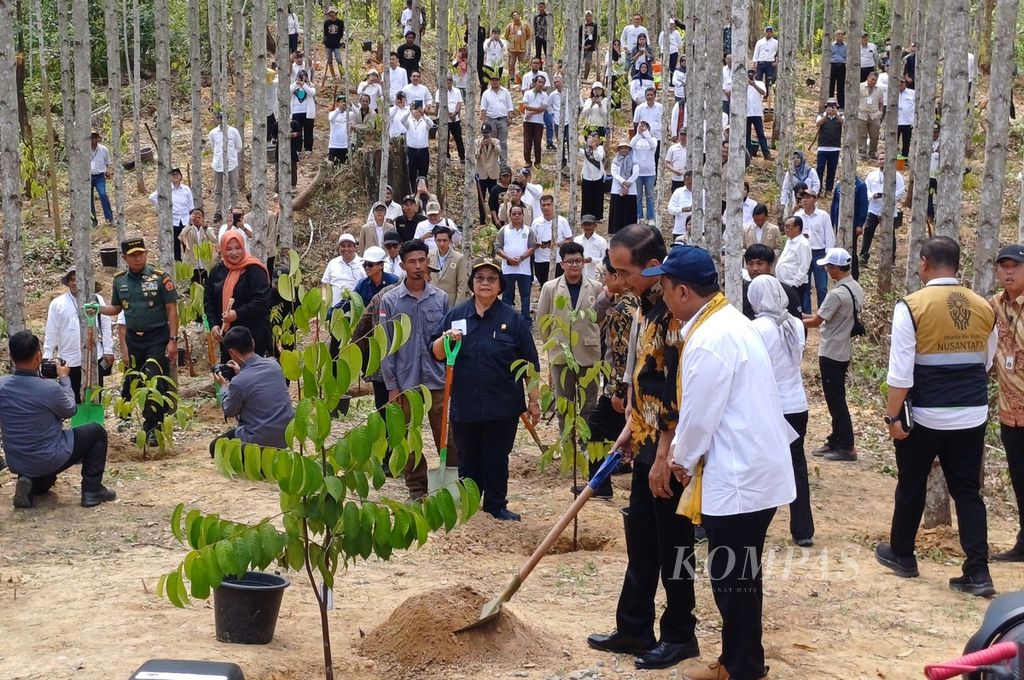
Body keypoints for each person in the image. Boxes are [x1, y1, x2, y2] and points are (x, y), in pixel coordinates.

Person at [648, 246, 794, 680]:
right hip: (753, 468)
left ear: (684, 292)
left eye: (666, 289)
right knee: (741, 578)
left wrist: (681, 460)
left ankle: (742, 668)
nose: (664, 298)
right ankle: (740, 661)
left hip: (738, 476)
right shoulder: (729, 322)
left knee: (733, 582)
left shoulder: (710, 337)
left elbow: (698, 413)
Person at [588, 225, 698, 672]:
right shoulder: (643, 308)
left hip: (669, 449)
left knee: (673, 545)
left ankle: (679, 635)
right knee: (641, 540)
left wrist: (666, 447)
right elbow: (642, 377)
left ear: (653, 267)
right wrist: (631, 424)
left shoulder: (676, 313)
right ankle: (634, 626)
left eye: (623, 270)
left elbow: (677, 389)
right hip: (646, 438)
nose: (617, 280)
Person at [876, 236, 996, 598]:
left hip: (926, 414)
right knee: (968, 493)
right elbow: (986, 362)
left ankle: (902, 554)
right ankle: (978, 572)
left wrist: (893, 417)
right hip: (972, 413)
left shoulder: (912, 306)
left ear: (925, 262)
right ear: (957, 265)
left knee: (911, 484)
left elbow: (900, 374)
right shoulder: (983, 306)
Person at [431, 257, 540, 520]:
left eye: (491, 279)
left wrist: (534, 401)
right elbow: (434, 353)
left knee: (497, 457)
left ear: (500, 286)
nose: (485, 283)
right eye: (480, 278)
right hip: (465, 404)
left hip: (502, 406)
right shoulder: (456, 316)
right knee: (468, 458)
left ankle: (495, 505)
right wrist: (444, 340)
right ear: (472, 284)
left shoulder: (513, 319)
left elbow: (530, 365)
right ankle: (470, 506)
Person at [0, 331, 116, 509]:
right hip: (49, 456)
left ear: (11, 356)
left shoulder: (2, 385)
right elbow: (71, 410)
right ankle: (92, 490)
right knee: (96, 432)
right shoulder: (49, 389)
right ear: (39, 357)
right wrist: (64, 378)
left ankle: (29, 484)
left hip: (17, 460)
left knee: (46, 477)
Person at [381, 240, 456, 501]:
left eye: (422, 260)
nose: (417, 266)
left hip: (436, 380)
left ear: (428, 262)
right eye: (411, 262)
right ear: (402, 265)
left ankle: (451, 483)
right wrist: (392, 384)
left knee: (446, 434)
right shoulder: (390, 301)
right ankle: (417, 487)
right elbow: (386, 344)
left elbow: (448, 342)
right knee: (408, 437)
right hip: (405, 381)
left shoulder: (441, 299)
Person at [748, 274, 813, 545]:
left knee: (760, 465)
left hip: (771, 405)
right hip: (797, 404)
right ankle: (803, 530)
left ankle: (753, 524)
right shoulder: (796, 324)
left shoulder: (756, 328)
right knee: (797, 464)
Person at [96, 238, 179, 447]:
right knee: (138, 381)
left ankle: (154, 427)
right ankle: (146, 424)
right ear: (124, 258)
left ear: (146, 254)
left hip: (158, 336)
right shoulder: (119, 281)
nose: (137, 258)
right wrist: (96, 309)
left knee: (153, 378)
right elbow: (116, 309)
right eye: (132, 255)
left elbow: (171, 310)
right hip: (134, 338)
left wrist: (173, 340)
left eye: (141, 253)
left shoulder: (160, 278)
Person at [577, 252, 638, 498]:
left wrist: (617, 391)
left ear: (617, 276)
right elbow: (594, 314)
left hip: (623, 386)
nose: (602, 281)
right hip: (625, 383)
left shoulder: (625, 308)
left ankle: (600, 484)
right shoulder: (625, 301)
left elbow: (623, 353)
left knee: (597, 427)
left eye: (606, 276)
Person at [802, 248, 864, 461]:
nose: (827, 270)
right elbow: (821, 316)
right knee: (837, 398)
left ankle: (846, 445)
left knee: (835, 401)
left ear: (836, 268)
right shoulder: (855, 287)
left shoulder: (836, 294)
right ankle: (836, 438)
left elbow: (816, 321)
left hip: (831, 350)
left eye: (829, 267)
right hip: (843, 349)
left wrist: (791, 321)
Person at [537, 241, 602, 430]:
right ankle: (567, 442)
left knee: (589, 403)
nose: (575, 265)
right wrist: (552, 344)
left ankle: (584, 445)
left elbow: (600, 319)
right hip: (561, 354)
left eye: (578, 261)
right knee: (564, 403)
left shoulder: (595, 287)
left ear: (583, 262)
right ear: (562, 264)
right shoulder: (550, 288)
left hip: (589, 354)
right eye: (570, 261)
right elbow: (542, 320)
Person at [209, 326, 295, 457]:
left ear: (232, 352)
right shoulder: (274, 365)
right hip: (284, 439)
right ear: (253, 343)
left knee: (215, 447)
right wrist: (241, 372)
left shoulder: (239, 381)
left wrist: (224, 386)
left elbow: (229, 411)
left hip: (257, 442)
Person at [990, 245, 1024, 561]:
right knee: (1020, 480)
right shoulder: (994, 306)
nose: (1009, 272)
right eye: (1005, 266)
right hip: (1009, 414)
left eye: (1016, 266)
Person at [43, 268, 115, 403]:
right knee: (73, 398)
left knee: (95, 397)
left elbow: (105, 326)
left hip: (94, 356)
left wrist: (108, 350)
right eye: (72, 280)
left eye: (79, 279)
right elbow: (51, 331)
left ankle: (95, 423)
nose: (76, 283)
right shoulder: (57, 304)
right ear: (68, 283)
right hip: (69, 361)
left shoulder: (96, 299)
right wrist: (47, 356)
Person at [205, 231, 273, 361]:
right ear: (223, 249)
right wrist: (213, 324)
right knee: (231, 372)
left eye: (237, 248)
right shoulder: (217, 270)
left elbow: (262, 300)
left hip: (253, 334)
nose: (234, 252)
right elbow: (209, 300)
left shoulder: (254, 269)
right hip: (227, 335)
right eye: (229, 249)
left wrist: (237, 313)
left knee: (253, 373)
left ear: (243, 247)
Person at [860, 152, 906, 265]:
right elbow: (866, 189)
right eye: (880, 159)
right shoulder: (872, 175)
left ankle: (891, 259)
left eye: (884, 159)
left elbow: (901, 191)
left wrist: (888, 196)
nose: (882, 161)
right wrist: (873, 195)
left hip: (889, 209)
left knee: (889, 233)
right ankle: (864, 256)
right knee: (868, 231)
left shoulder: (897, 176)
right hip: (873, 208)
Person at [795, 190, 835, 311]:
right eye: (803, 198)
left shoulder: (823, 216)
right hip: (804, 253)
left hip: (820, 253)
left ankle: (822, 313)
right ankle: (806, 313)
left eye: (808, 197)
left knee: (821, 286)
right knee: (804, 285)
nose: (805, 200)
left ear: (815, 199)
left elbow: (829, 236)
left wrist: (828, 256)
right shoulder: (798, 216)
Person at [495, 204, 536, 321]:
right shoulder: (504, 230)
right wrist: (508, 258)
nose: (517, 215)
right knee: (507, 296)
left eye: (519, 213)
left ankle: (525, 320)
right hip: (508, 270)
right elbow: (497, 247)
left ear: (523, 215)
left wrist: (521, 258)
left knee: (525, 297)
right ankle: (506, 320)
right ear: (510, 215)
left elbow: (532, 247)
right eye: (514, 213)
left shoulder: (529, 231)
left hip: (525, 270)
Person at [741, 244, 802, 320]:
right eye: (750, 264)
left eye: (760, 264)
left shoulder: (786, 292)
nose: (754, 268)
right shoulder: (742, 292)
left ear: (770, 265)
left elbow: (796, 324)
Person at [149, 167, 195, 262]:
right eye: (173, 174)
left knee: (188, 244)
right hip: (173, 221)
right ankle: (177, 264)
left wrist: (191, 219)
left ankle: (189, 264)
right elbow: (152, 197)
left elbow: (191, 206)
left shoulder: (186, 189)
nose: (175, 176)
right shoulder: (166, 189)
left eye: (177, 174)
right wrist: (163, 207)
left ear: (181, 176)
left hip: (186, 221)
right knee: (175, 246)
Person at [532, 194, 573, 287]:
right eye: (543, 205)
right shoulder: (536, 222)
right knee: (544, 285)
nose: (546, 207)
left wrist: (558, 244)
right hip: (541, 259)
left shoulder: (562, 221)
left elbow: (569, 239)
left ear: (553, 205)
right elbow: (532, 241)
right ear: (540, 206)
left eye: (548, 204)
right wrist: (539, 245)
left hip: (558, 259)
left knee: (559, 286)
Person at [208, 117, 243, 217]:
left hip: (231, 165)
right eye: (219, 118)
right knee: (218, 189)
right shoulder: (213, 133)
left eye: (223, 118)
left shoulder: (234, 131)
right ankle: (218, 210)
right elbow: (213, 146)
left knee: (234, 188)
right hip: (218, 165)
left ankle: (234, 209)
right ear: (217, 119)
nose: (221, 120)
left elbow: (238, 146)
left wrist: (231, 156)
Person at [321, 233, 364, 314]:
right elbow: (324, 284)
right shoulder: (333, 263)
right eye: (343, 246)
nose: (346, 249)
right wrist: (324, 299)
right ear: (339, 248)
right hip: (334, 312)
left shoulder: (364, 263)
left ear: (355, 247)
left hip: (355, 312)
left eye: (349, 246)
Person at [775, 215, 813, 305]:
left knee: (795, 309)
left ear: (797, 228)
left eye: (788, 226)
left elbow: (804, 266)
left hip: (794, 285)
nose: (785, 229)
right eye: (785, 226)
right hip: (784, 283)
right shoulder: (789, 240)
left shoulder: (803, 244)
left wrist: (795, 283)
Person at [428, 226, 468, 305]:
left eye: (444, 240)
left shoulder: (459, 258)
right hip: (432, 300)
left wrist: (457, 307)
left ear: (450, 241)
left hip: (450, 302)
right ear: (435, 240)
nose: (441, 243)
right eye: (438, 240)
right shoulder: (429, 255)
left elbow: (462, 284)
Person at [481, 74, 514, 165]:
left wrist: (510, 117)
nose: (495, 82)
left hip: (503, 120)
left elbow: (510, 106)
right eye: (493, 80)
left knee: (503, 142)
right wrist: (484, 122)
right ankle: (493, 162)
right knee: (492, 142)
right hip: (491, 120)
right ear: (490, 82)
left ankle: (503, 163)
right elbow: (483, 108)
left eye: (496, 80)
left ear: (499, 81)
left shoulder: (505, 92)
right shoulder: (486, 93)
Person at [401, 104, 433, 194]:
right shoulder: (409, 122)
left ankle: (424, 193)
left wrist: (424, 114)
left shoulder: (425, 122)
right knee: (412, 173)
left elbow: (431, 124)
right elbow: (402, 120)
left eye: (419, 111)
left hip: (423, 151)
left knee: (423, 174)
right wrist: (408, 111)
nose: (417, 112)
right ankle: (413, 193)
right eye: (415, 110)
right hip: (412, 151)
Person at [609, 139, 639, 235]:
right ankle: (616, 232)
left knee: (629, 211)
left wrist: (628, 182)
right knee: (617, 211)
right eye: (621, 148)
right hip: (617, 189)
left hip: (631, 189)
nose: (624, 150)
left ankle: (630, 233)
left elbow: (636, 172)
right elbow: (614, 173)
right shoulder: (616, 160)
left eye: (626, 148)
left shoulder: (634, 160)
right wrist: (623, 182)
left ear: (629, 149)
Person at [630, 121, 658, 224]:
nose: (642, 128)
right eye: (641, 126)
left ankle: (650, 217)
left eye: (644, 126)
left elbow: (653, 145)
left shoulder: (653, 140)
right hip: (638, 173)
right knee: (638, 195)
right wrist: (638, 133)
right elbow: (631, 145)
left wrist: (645, 133)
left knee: (650, 195)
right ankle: (639, 216)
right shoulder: (636, 140)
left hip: (650, 173)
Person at [815, 99, 843, 194]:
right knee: (820, 168)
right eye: (829, 106)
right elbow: (817, 124)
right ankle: (818, 189)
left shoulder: (840, 117)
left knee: (832, 169)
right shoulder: (821, 116)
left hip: (835, 148)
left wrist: (836, 114)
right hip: (822, 147)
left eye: (833, 106)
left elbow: (845, 124)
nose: (831, 108)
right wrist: (826, 116)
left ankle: (829, 189)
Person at [436, 74, 465, 162]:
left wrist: (455, 113)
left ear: (452, 81)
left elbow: (459, 103)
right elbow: (439, 104)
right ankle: (447, 157)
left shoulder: (457, 91)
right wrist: (449, 114)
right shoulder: (439, 91)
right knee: (445, 139)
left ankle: (462, 157)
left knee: (458, 138)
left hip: (456, 119)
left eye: (450, 80)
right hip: (444, 119)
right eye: (446, 80)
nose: (448, 82)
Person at [522, 73, 548, 167]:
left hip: (538, 122)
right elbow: (524, 106)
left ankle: (537, 161)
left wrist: (531, 112)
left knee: (538, 143)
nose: (541, 84)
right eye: (539, 82)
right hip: (527, 121)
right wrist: (537, 109)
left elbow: (543, 109)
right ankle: (528, 161)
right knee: (527, 142)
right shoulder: (528, 93)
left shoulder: (544, 95)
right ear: (535, 82)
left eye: (543, 83)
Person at [476, 124, 501, 222]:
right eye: (484, 133)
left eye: (487, 132)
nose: (485, 135)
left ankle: (495, 219)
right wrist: (481, 147)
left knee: (493, 196)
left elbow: (499, 153)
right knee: (481, 197)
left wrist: (493, 145)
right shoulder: (477, 142)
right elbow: (475, 155)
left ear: (491, 132)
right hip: (481, 173)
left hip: (492, 173)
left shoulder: (496, 141)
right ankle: (482, 220)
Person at [744, 69, 771, 160]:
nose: (751, 75)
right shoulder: (743, 84)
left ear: (755, 75)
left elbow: (764, 93)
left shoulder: (760, 83)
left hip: (756, 113)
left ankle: (766, 153)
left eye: (752, 74)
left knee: (760, 134)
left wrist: (754, 85)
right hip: (746, 113)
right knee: (746, 135)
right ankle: (748, 155)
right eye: (749, 74)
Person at [89, 131, 114, 226]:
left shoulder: (104, 150)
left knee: (103, 195)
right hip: (88, 177)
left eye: (95, 138)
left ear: (97, 139)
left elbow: (108, 163)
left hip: (99, 175)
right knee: (89, 199)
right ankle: (93, 220)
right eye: (91, 138)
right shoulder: (84, 150)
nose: (93, 140)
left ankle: (110, 218)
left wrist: (108, 171)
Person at [289, 71, 317, 157]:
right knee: (297, 131)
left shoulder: (310, 85)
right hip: (296, 111)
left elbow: (312, 93)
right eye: (301, 77)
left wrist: (303, 84)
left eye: (304, 77)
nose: (302, 79)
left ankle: (308, 148)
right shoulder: (294, 85)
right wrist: (296, 83)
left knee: (308, 131)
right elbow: (288, 91)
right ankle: (297, 149)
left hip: (307, 112)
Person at [580, 131, 606, 220]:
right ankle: (586, 217)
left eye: (596, 138)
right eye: (592, 137)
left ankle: (597, 217)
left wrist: (594, 147)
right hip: (587, 176)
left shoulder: (600, 148)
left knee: (598, 197)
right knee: (586, 197)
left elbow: (598, 158)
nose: (594, 139)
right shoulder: (585, 150)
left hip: (598, 176)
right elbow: (577, 152)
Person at [857, 71, 884, 160]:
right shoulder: (860, 87)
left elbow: (881, 102)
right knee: (861, 135)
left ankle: (872, 153)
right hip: (862, 114)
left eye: (875, 80)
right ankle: (862, 153)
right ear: (868, 78)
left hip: (874, 114)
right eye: (872, 79)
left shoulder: (879, 90)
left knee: (875, 135)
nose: (873, 81)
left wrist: (880, 112)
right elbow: (854, 99)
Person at [575, 215, 609, 281]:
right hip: (580, 276)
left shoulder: (601, 241)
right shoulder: (577, 240)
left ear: (595, 226)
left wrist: (592, 260)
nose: (587, 227)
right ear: (582, 226)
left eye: (590, 224)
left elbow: (605, 260)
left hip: (595, 277)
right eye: (585, 224)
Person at [503, 12, 532, 79]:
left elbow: (528, 35)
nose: (515, 16)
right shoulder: (509, 26)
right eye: (514, 15)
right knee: (511, 64)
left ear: (519, 16)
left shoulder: (525, 25)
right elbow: (506, 36)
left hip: (522, 49)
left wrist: (522, 40)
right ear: (512, 17)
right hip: (512, 49)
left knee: (522, 64)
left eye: (517, 15)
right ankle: (511, 78)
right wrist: (512, 40)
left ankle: (523, 77)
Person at [327, 95, 355, 165]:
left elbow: (357, 114)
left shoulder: (349, 114)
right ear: (337, 103)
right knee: (332, 165)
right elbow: (331, 119)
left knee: (344, 166)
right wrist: (338, 110)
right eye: (341, 102)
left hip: (345, 145)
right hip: (333, 145)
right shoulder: (332, 113)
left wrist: (351, 105)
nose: (343, 104)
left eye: (345, 102)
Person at [752, 26, 779, 97]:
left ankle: (766, 95)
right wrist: (754, 63)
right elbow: (756, 52)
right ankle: (758, 95)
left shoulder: (776, 43)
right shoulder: (760, 42)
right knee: (758, 79)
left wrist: (776, 62)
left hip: (770, 64)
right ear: (765, 32)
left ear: (772, 33)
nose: (769, 33)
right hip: (761, 63)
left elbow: (779, 53)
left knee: (769, 81)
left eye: (770, 32)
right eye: (767, 32)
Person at [667, 171, 693, 240]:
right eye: (688, 183)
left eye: (693, 183)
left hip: (699, 231)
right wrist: (682, 209)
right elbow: (670, 209)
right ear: (684, 181)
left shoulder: (703, 192)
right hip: (680, 230)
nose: (691, 185)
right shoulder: (678, 192)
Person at [322, 6, 345, 80]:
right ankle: (333, 75)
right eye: (330, 12)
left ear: (336, 13)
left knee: (338, 59)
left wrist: (337, 40)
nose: (332, 14)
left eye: (333, 12)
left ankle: (342, 74)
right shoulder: (326, 23)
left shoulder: (340, 22)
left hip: (336, 43)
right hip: (328, 43)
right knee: (329, 60)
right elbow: (325, 33)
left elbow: (341, 33)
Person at [896, 77, 916, 158]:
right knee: (893, 141)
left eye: (902, 82)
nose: (901, 84)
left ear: (905, 83)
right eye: (899, 82)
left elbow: (916, 107)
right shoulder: (893, 92)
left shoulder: (912, 93)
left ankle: (905, 158)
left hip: (907, 121)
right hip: (896, 122)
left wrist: (914, 121)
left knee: (906, 141)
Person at [829, 30, 847, 108]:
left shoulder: (846, 46)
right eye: (838, 34)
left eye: (841, 34)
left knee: (841, 86)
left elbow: (848, 56)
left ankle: (841, 104)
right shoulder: (831, 45)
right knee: (831, 84)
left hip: (842, 66)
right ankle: (830, 103)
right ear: (835, 36)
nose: (840, 35)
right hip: (832, 66)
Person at [581, 10, 599, 80]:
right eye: (587, 16)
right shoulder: (582, 26)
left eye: (589, 16)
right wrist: (582, 45)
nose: (588, 17)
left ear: (592, 17)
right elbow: (579, 36)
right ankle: (579, 77)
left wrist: (591, 45)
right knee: (579, 63)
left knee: (587, 63)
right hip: (582, 47)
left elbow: (595, 37)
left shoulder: (595, 26)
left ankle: (585, 78)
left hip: (590, 48)